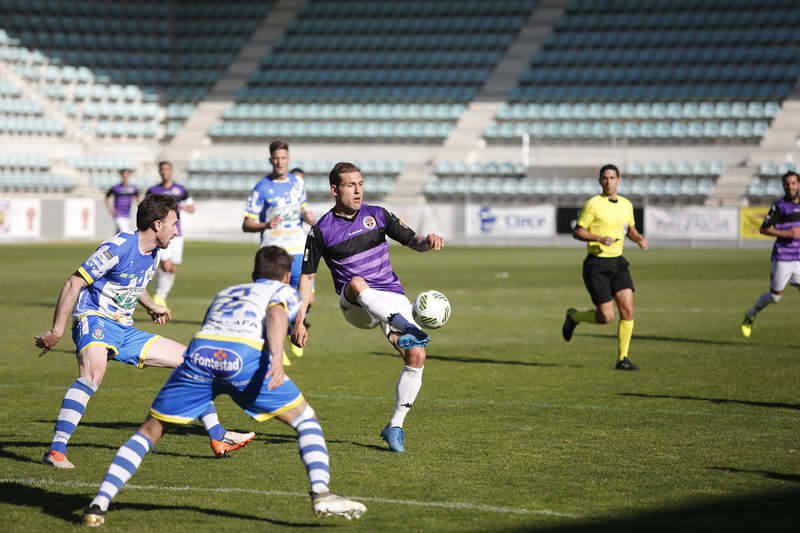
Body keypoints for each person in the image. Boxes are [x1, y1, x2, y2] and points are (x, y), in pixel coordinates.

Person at [80, 246, 366, 526]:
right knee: (306, 420)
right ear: (284, 276)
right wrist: (277, 358)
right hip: (243, 358)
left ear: (255, 272)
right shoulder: (285, 291)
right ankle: (321, 493)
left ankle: (98, 505)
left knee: (150, 431)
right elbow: (278, 315)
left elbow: (209, 327)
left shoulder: (226, 292)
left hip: (199, 356)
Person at [35, 194, 254, 469]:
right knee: (93, 374)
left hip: (124, 329)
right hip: (96, 320)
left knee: (193, 361)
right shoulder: (118, 246)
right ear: (157, 224)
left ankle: (219, 436)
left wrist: (151, 305)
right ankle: (55, 451)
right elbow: (74, 283)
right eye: (174, 224)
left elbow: (133, 284)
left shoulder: (153, 252)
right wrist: (56, 330)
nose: (177, 230)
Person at [291, 162, 444, 453]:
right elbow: (307, 277)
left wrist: (429, 240)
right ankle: (405, 325)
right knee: (357, 282)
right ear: (335, 190)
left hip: (390, 296)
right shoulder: (321, 230)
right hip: (356, 305)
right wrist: (300, 320)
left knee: (416, 354)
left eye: (360, 183)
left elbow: (414, 241)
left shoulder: (379, 215)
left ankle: (395, 426)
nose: (358, 190)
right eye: (350, 185)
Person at [561, 164, 648, 370]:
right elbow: (578, 232)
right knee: (606, 317)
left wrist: (639, 239)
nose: (608, 181)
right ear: (600, 181)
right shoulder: (593, 204)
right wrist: (598, 238)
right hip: (596, 265)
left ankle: (622, 359)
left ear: (618, 180)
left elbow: (631, 230)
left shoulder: (626, 205)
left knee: (627, 309)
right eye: (605, 178)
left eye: (612, 178)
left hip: (618, 263)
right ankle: (573, 317)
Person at [242, 141, 315, 364]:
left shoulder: (297, 183)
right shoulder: (261, 187)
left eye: (283, 157)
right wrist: (266, 224)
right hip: (275, 252)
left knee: (308, 299)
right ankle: (277, 346)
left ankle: (295, 327)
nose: (279, 161)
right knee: (277, 302)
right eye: (275, 158)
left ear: (288, 159)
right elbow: (247, 224)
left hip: (299, 248)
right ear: (271, 160)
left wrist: (310, 218)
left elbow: (302, 208)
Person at [741, 171, 800, 337]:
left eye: (793, 183)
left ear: (799, 184)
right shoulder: (779, 206)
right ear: (784, 186)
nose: (790, 186)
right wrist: (787, 233)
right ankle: (751, 314)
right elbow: (764, 228)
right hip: (783, 257)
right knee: (775, 297)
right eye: (787, 184)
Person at [146, 161, 195, 309]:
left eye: (167, 169)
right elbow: (146, 208)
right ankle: (158, 296)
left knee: (172, 268)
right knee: (166, 265)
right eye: (162, 169)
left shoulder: (181, 190)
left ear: (171, 171)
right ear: (159, 171)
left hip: (177, 233)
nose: (164, 172)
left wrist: (181, 206)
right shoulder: (153, 190)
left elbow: (192, 207)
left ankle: (161, 296)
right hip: (162, 233)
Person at [105, 168, 139, 233]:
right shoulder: (116, 188)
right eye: (124, 176)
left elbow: (137, 199)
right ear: (121, 176)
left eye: (127, 176)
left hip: (127, 214)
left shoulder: (133, 188)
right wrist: (110, 209)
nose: (125, 177)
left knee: (118, 233)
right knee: (125, 231)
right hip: (118, 214)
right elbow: (106, 197)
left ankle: (111, 242)